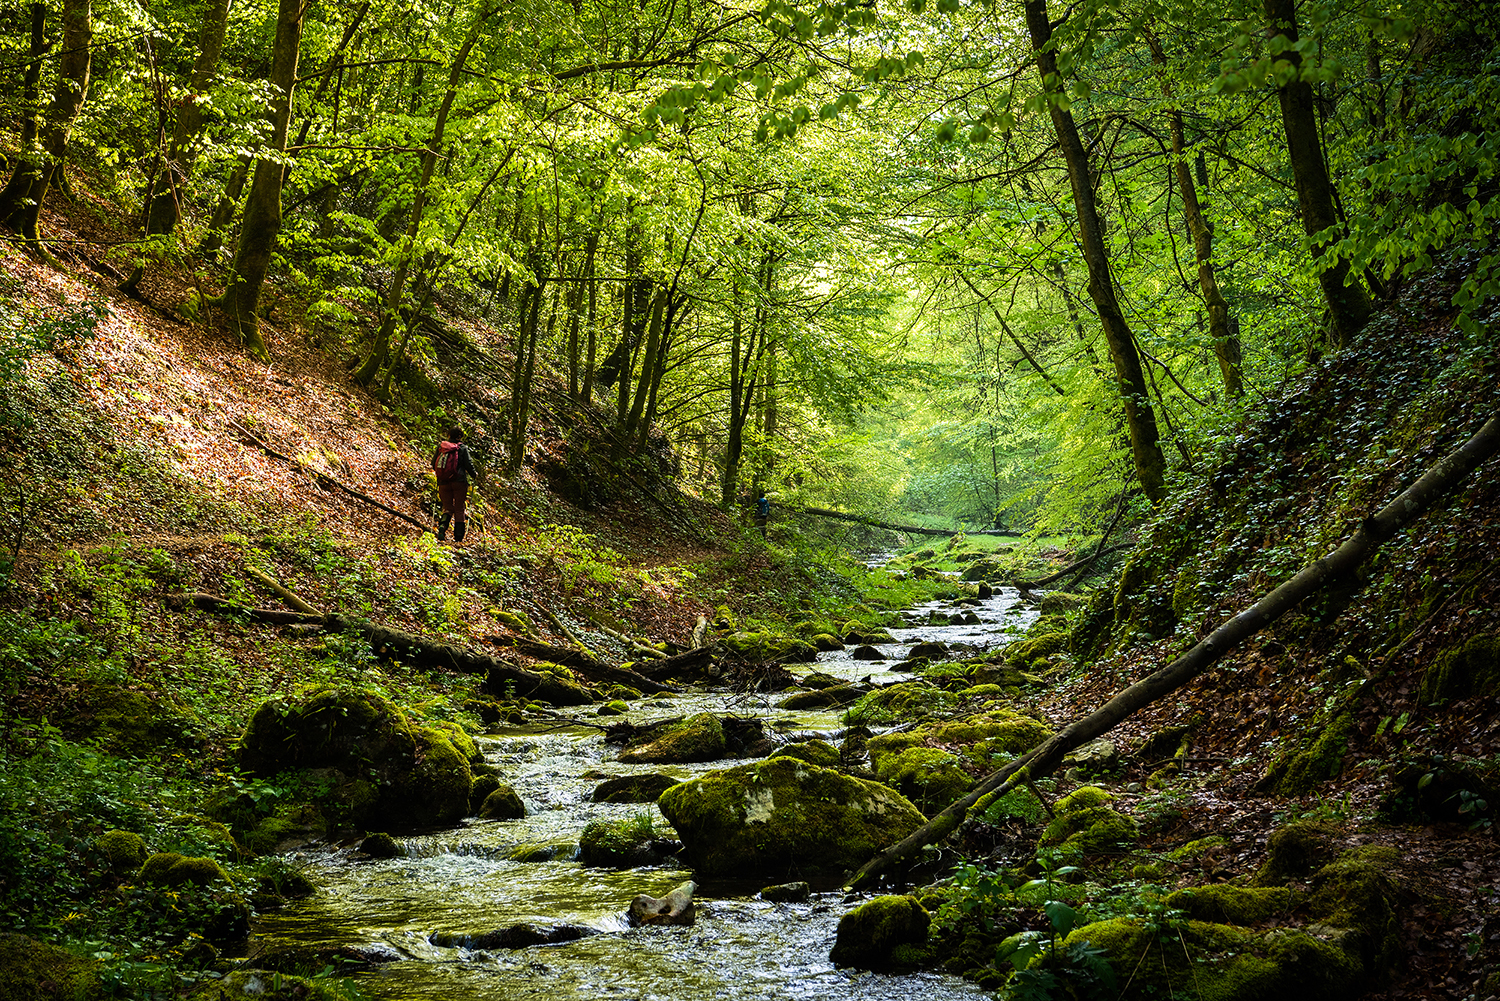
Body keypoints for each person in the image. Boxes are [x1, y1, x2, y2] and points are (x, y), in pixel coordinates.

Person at [432, 427, 475, 543]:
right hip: (459, 482)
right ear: (459, 437)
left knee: (447, 508)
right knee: (459, 508)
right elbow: (468, 464)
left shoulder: (441, 447)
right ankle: (458, 537)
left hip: (443, 482)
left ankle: (442, 528)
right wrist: (474, 475)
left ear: (449, 435)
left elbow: (433, 463)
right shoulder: (462, 448)